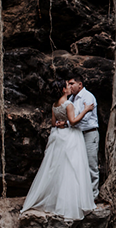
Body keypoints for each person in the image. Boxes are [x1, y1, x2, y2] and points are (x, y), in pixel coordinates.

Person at [21, 80, 96, 219]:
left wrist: (61, 123)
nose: (70, 87)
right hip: (71, 136)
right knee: (73, 167)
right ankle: (72, 203)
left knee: (60, 167)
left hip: (60, 136)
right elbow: (73, 121)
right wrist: (86, 110)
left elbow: (53, 122)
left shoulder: (54, 105)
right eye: (68, 85)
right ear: (63, 90)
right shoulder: (69, 104)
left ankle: (57, 200)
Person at [65, 74, 100, 199]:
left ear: (80, 84)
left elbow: (84, 120)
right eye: (68, 84)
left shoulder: (88, 96)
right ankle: (80, 195)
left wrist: (69, 122)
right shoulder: (71, 99)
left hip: (89, 134)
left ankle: (93, 196)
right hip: (77, 135)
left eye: (72, 84)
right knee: (77, 164)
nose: (70, 87)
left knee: (91, 164)